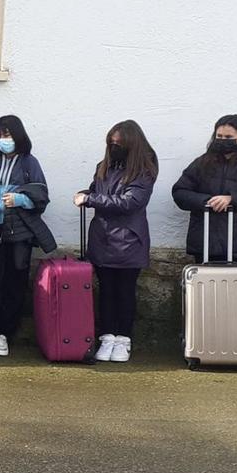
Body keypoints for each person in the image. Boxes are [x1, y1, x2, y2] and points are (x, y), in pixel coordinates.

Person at [0, 116, 56, 357]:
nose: (3, 140)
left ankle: (5, 332)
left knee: (15, 281)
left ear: (18, 136)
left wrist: (20, 200)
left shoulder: (29, 163)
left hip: (19, 230)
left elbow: (41, 197)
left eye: (7, 135)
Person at [75, 119, 158, 363]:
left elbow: (129, 202)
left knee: (125, 291)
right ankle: (107, 337)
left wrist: (91, 200)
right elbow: (98, 191)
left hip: (128, 240)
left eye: (119, 143)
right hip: (102, 238)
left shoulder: (144, 170)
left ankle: (124, 338)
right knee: (106, 291)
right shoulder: (104, 166)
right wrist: (86, 194)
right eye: (111, 143)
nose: (114, 147)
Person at [172, 114, 237, 264]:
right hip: (204, 242)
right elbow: (180, 192)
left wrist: (233, 199)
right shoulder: (202, 163)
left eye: (228, 137)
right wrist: (206, 201)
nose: (223, 140)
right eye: (219, 136)